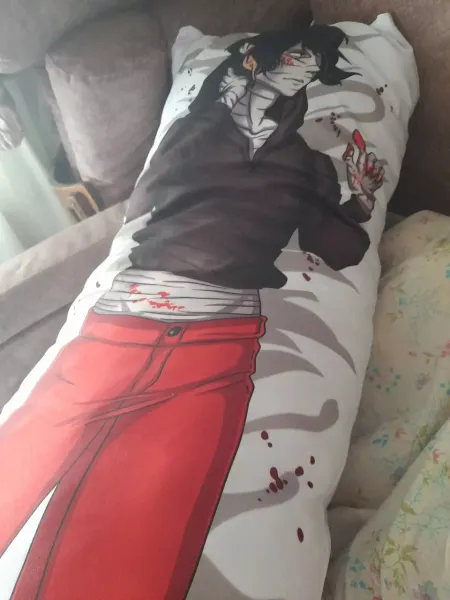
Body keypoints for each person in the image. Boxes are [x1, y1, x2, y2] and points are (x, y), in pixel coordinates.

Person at [0, 25, 384, 600]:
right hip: (116, 331)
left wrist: (362, 195)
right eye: (298, 55)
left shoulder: (305, 162)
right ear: (254, 62)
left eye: (314, 63)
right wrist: (231, 101)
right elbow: (154, 199)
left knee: (139, 565)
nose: (306, 67)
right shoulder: (196, 128)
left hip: (218, 352)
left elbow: (339, 247)